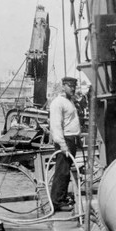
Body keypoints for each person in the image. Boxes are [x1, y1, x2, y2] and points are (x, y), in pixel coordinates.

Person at [49, 77, 81, 210]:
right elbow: (56, 126)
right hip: (65, 140)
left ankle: (61, 197)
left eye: (74, 86)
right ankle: (57, 202)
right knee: (62, 171)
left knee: (66, 171)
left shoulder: (69, 101)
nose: (73, 88)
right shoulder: (58, 102)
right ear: (63, 86)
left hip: (71, 139)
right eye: (70, 86)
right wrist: (62, 145)